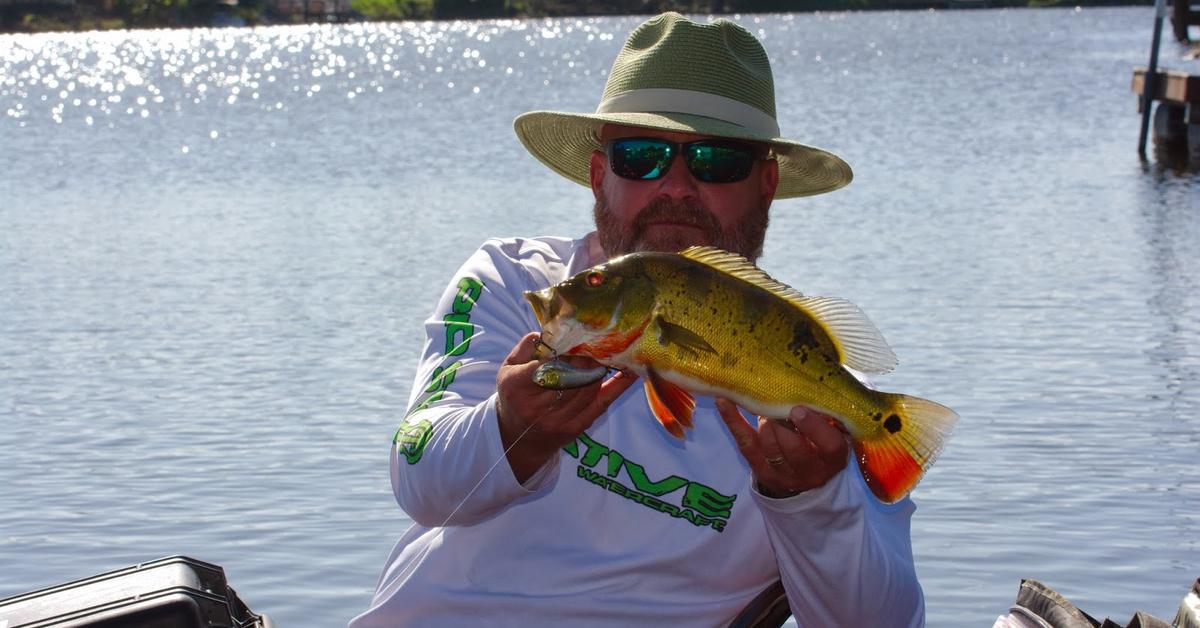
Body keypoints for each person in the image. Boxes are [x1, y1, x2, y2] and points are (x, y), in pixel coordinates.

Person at [350, 12, 925, 628]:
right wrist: (511, 427)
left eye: (717, 159)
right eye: (641, 155)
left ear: (766, 185)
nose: (675, 186)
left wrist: (811, 500)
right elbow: (419, 479)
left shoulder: (806, 382)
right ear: (601, 176)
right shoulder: (514, 282)